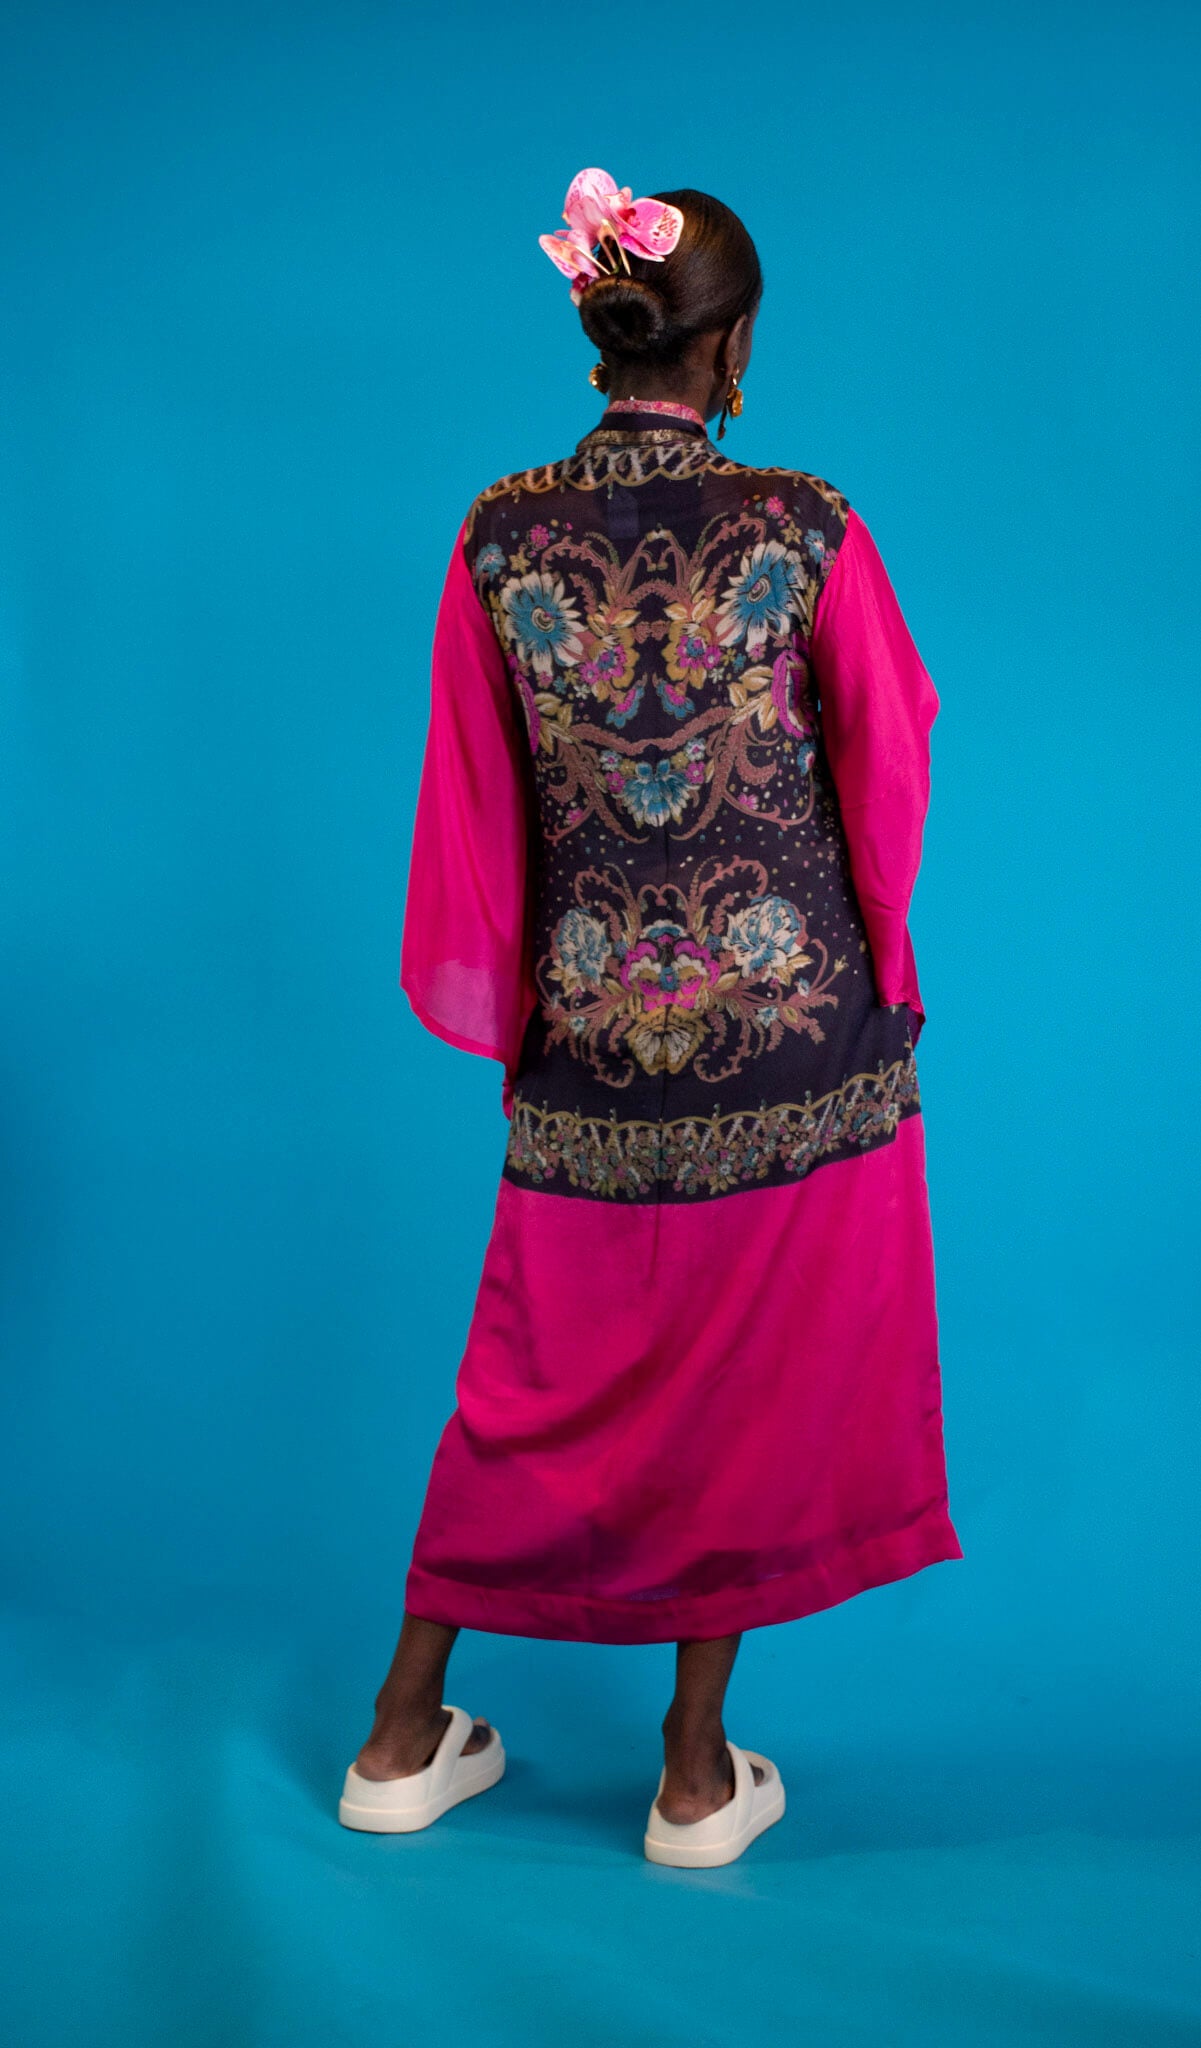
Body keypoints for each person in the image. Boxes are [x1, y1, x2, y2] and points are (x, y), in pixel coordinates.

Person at [338, 171, 963, 1868]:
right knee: (750, 1376)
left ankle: (399, 1735)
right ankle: (691, 1775)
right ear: (733, 348)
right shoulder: (806, 524)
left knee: (530, 1382)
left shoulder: (498, 533)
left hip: (595, 1033)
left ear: (599, 324)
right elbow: (886, 753)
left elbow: (473, 802)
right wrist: (879, 969)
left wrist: (533, 1011)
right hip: (790, 1022)